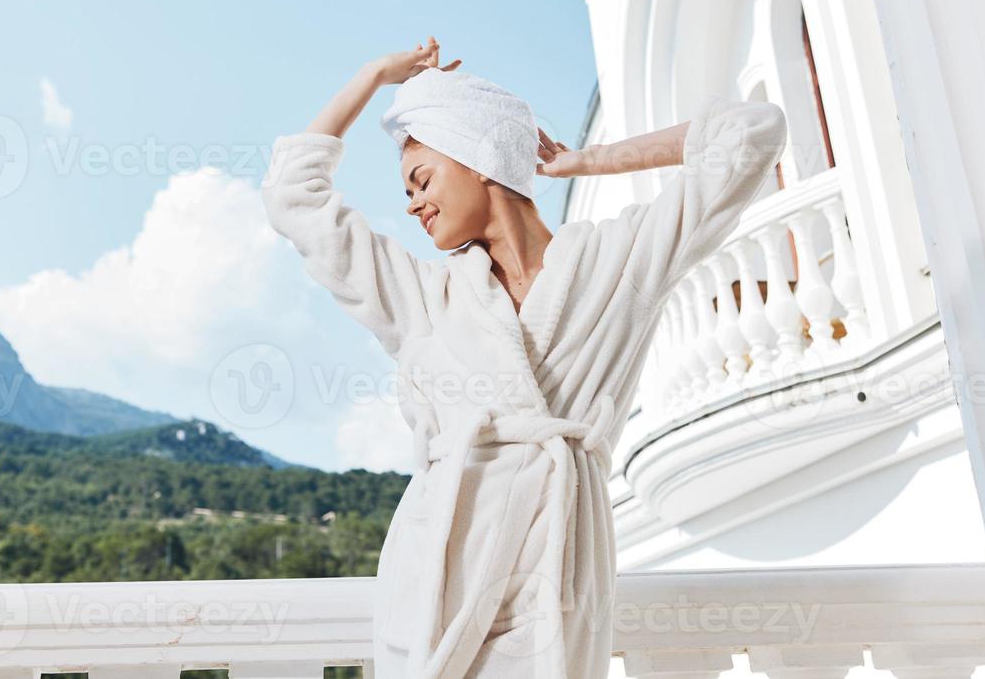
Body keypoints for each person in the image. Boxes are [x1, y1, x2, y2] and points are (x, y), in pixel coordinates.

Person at [259, 37, 788, 679]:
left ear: (479, 158)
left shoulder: (615, 263)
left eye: (422, 179)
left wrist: (586, 161)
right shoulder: (422, 297)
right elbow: (294, 197)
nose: (411, 204)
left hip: (560, 565)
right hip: (439, 571)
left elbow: (751, 132)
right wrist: (374, 75)